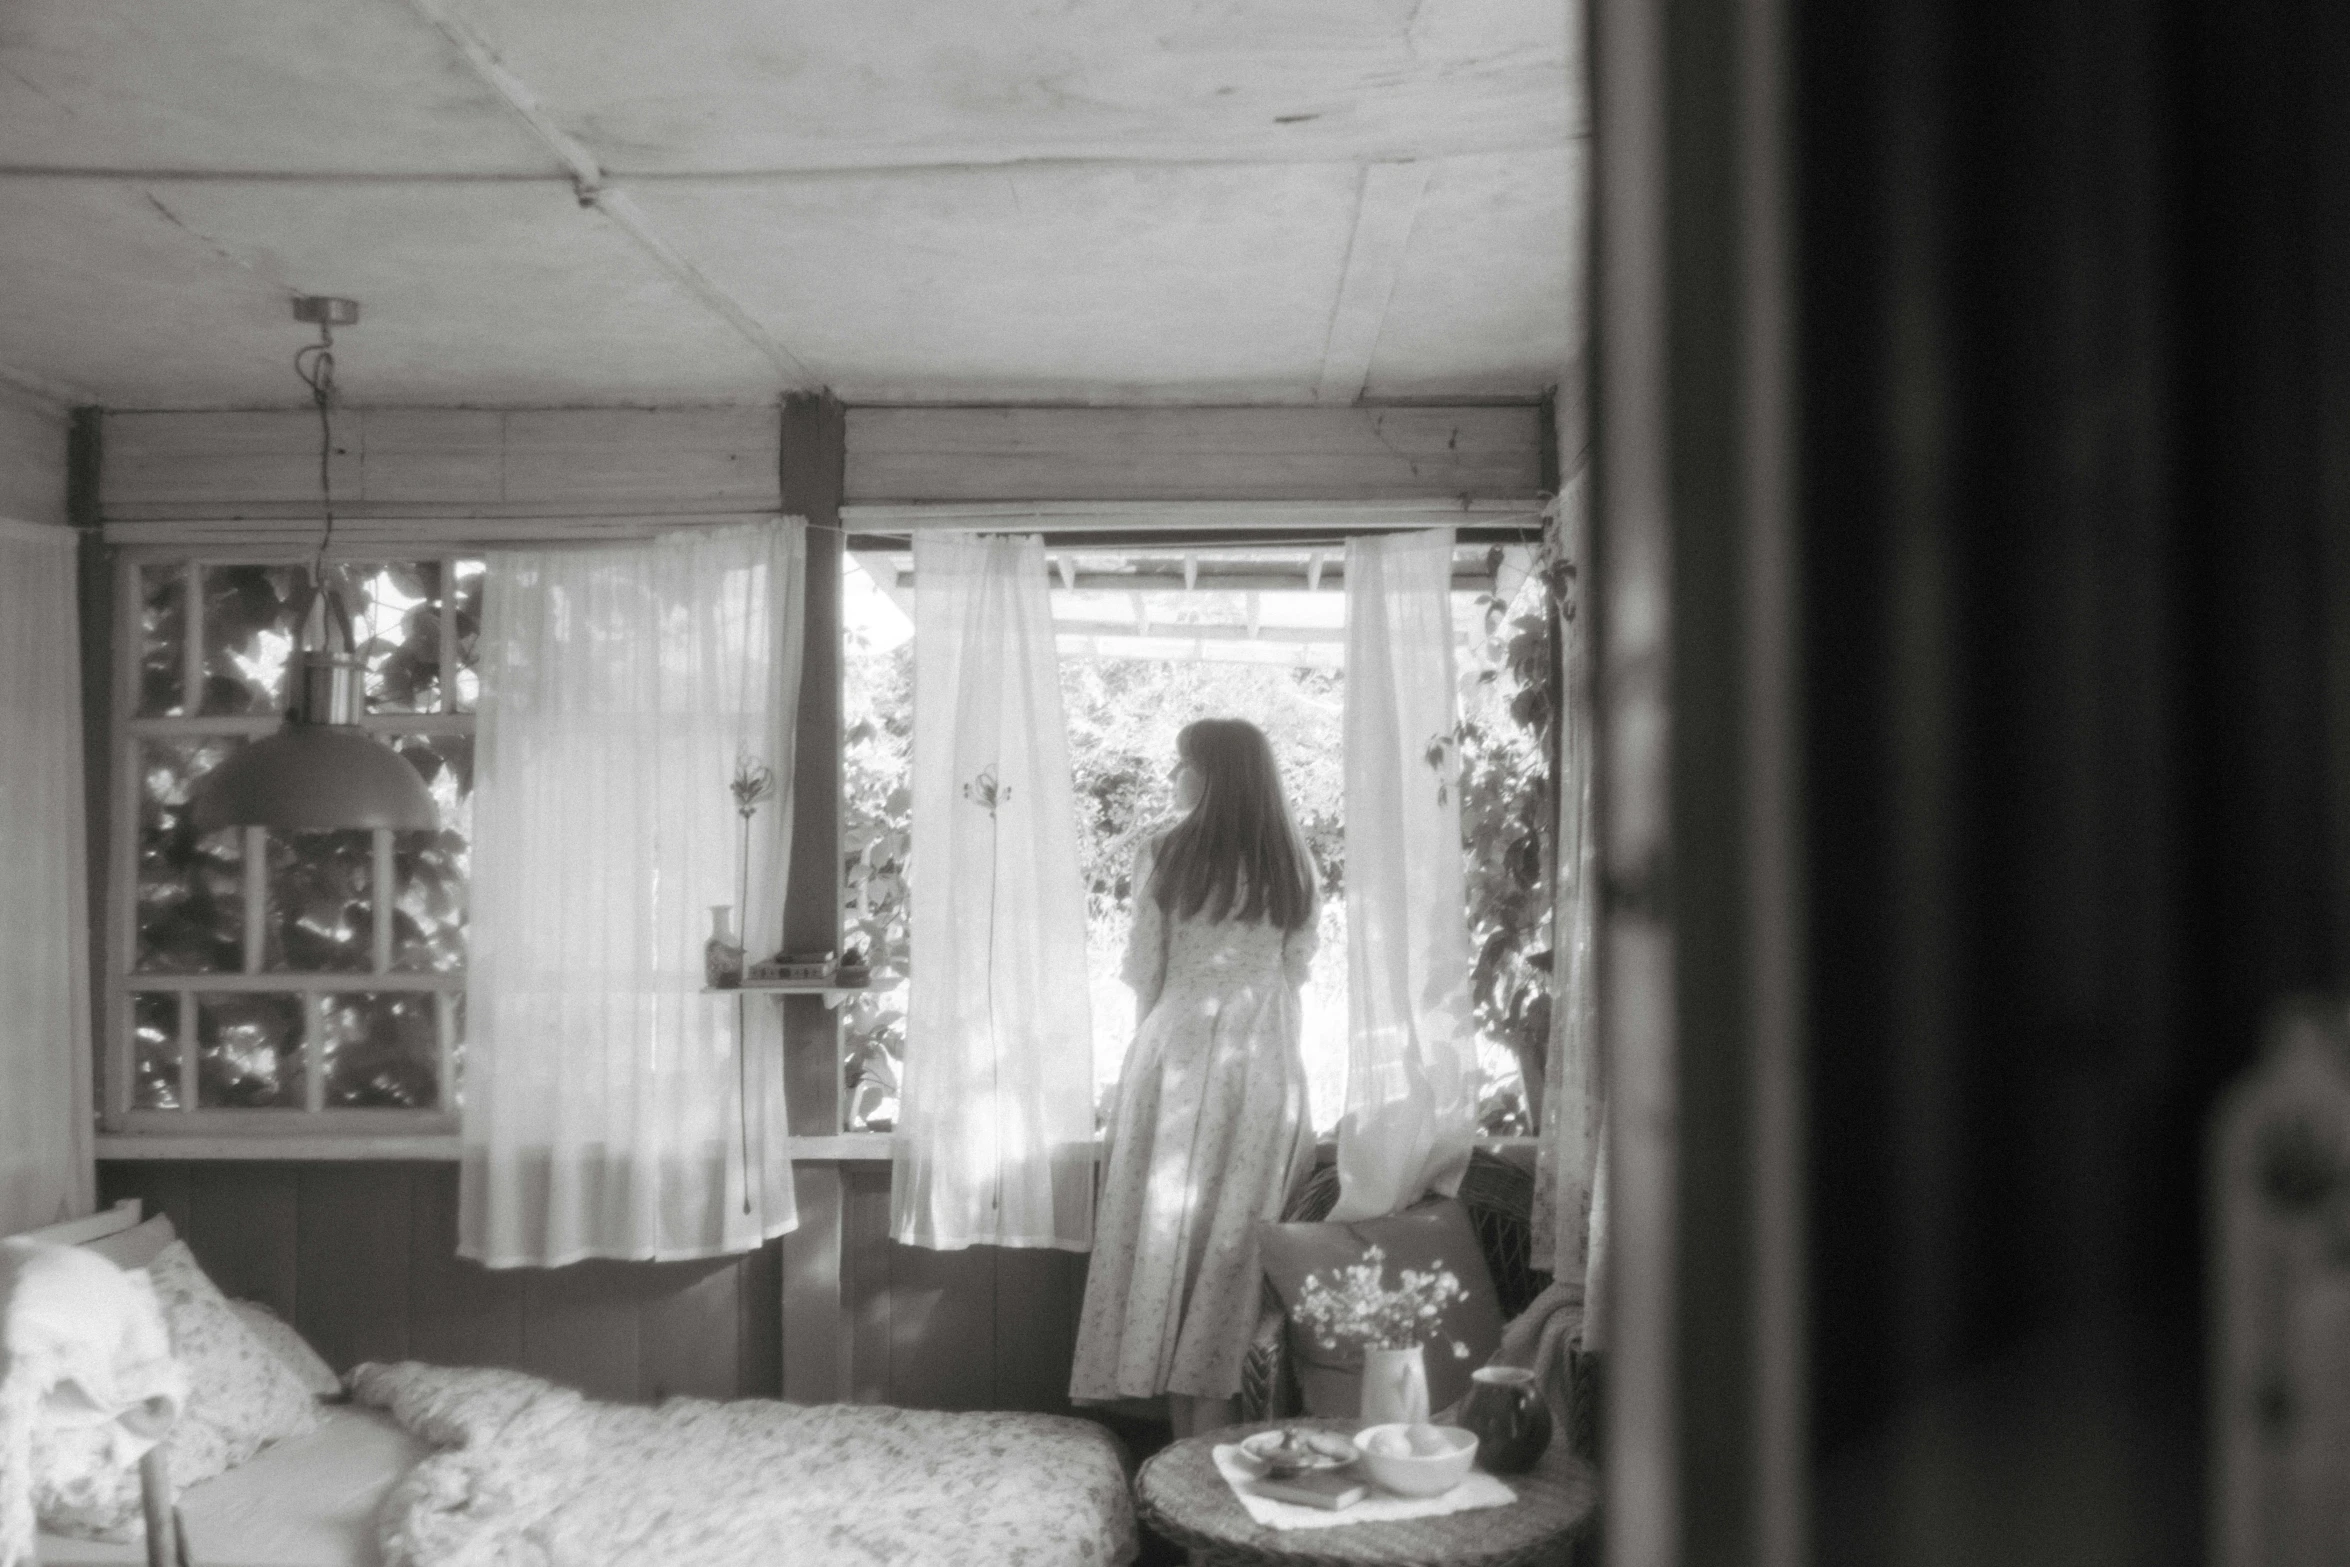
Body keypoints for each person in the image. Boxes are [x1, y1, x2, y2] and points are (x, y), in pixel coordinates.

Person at [1069, 717, 1321, 1437]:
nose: (1174, 776)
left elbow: (1146, 967)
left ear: (1210, 774)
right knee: (1229, 1261)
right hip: (1264, 1068)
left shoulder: (1165, 851)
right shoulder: (1293, 860)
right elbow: (1296, 971)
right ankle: (1210, 1446)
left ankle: (1186, 1466)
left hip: (1176, 1058)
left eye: (1183, 763)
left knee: (1164, 1241)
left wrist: (1140, 1064)